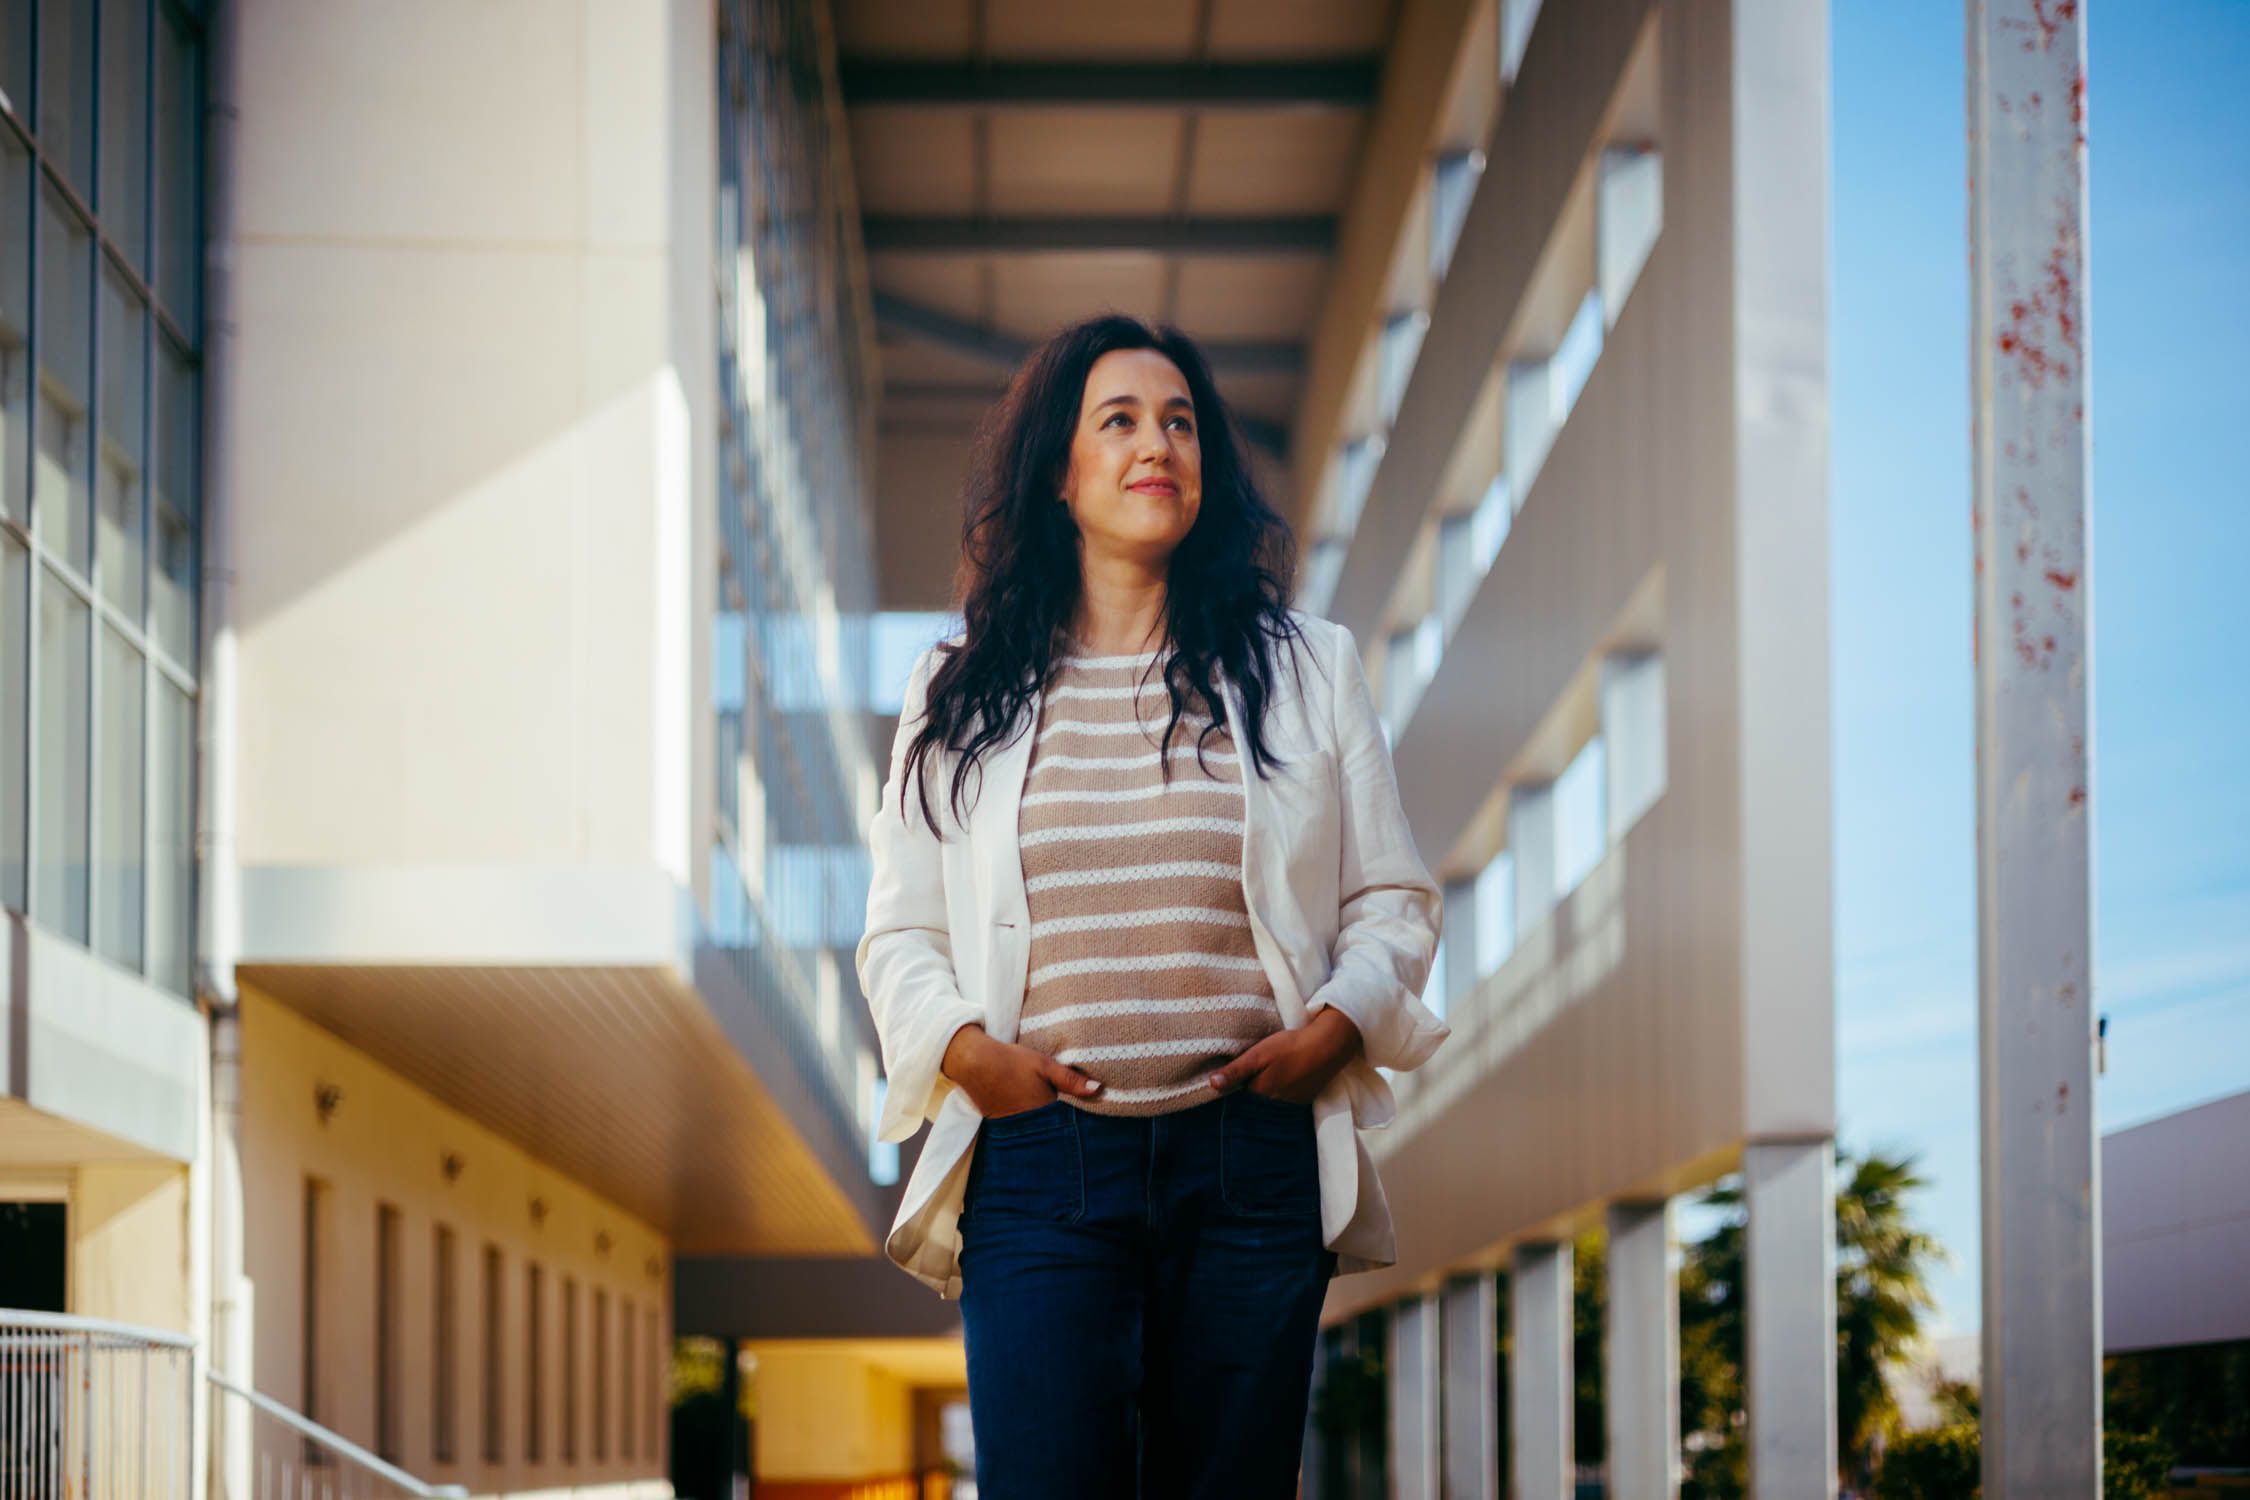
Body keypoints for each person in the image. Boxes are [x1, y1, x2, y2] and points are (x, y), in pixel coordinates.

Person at [856, 313, 1448, 1499]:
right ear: (1061, 474)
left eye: (1180, 423)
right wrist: (970, 1057)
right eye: (1118, 421)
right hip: (1041, 1168)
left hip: (1249, 1168)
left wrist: (1333, 1028)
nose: (1156, 444)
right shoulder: (959, 688)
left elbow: (1392, 896)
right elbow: (902, 933)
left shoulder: (1308, 668)